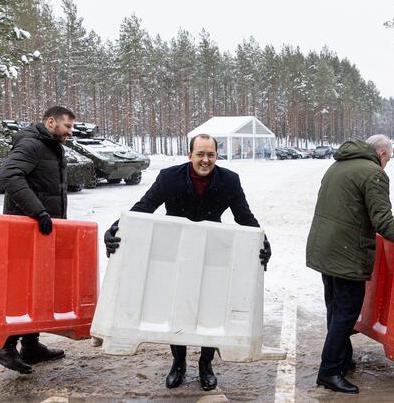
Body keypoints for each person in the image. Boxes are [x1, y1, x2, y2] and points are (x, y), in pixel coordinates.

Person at [103, 133, 272, 391]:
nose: (205, 160)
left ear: (216, 156)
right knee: (177, 306)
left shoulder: (229, 180)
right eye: (200, 154)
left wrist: (263, 242)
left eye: (211, 154)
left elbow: (244, 217)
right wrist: (116, 229)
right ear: (190, 155)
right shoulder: (169, 177)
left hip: (214, 255)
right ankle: (178, 362)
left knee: (210, 309)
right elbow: (143, 208)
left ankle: (206, 364)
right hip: (175, 253)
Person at [306, 135, 394, 394]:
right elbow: (384, 222)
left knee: (335, 307)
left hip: (325, 248)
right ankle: (329, 371)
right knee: (346, 313)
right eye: (386, 160)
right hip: (346, 254)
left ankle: (341, 359)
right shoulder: (373, 173)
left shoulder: (338, 164)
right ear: (384, 155)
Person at [0, 106, 75, 374]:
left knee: (39, 285)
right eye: (67, 127)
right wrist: (38, 212)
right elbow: (9, 176)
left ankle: (31, 345)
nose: (70, 133)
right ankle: (4, 346)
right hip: (27, 229)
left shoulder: (49, 146)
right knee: (23, 289)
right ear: (51, 122)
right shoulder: (31, 144)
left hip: (42, 230)